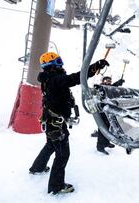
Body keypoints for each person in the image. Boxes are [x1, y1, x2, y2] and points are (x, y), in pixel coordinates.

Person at [28, 52, 109, 195]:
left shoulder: (49, 78)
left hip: (51, 121)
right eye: (58, 60)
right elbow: (74, 78)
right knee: (63, 154)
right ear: (52, 65)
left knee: (50, 145)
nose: (61, 63)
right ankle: (56, 186)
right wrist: (94, 67)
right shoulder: (55, 79)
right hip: (56, 124)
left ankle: (37, 167)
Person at [95, 76, 125, 155]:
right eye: (107, 80)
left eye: (110, 81)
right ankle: (100, 147)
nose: (109, 82)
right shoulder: (100, 88)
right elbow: (106, 90)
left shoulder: (108, 88)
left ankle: (106, 142)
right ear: (103, 81)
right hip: (101, 111)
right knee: (103, 128)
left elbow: (111, 88)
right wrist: (116, 84)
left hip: (107, 110)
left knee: (108, 126)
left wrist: (118, 83)